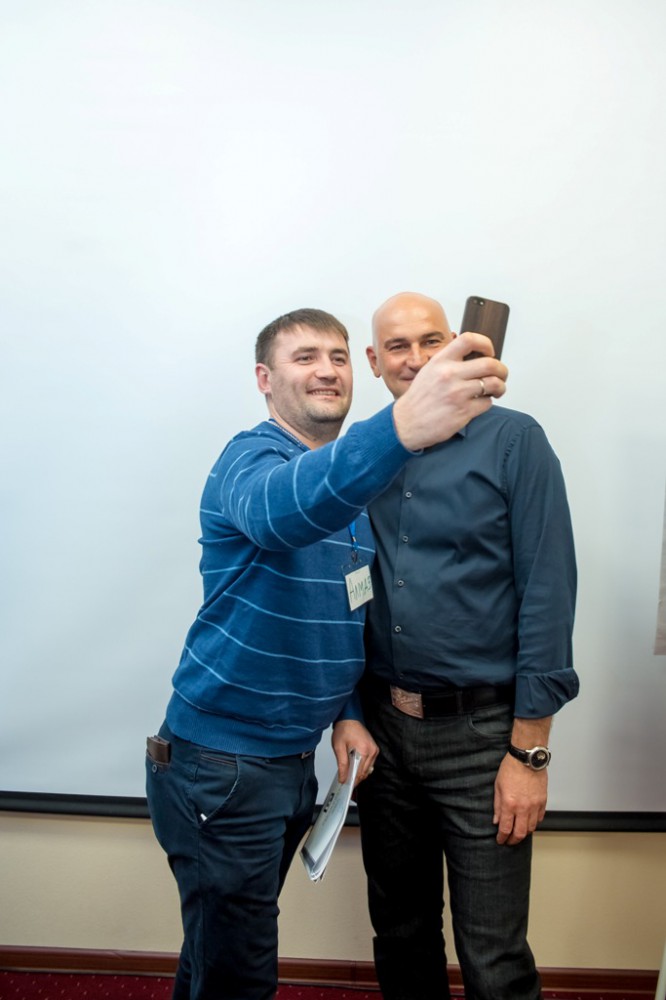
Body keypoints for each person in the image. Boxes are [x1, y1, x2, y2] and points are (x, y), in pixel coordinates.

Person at [145, 306, 508, 1000]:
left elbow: (343, 614)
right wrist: (399, 428)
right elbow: (280, 515)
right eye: (305, 357)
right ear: (265, 379)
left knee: (217, 952)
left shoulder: (349, 499)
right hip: (221, 764)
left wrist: (347, 712)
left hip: (288, 765)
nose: (327, 370)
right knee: (241, 973)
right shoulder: (251, 460)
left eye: (339, 357)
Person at [355, 292, 579, 1000]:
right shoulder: (362, 451)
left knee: (494, 957)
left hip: (483, 740)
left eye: (430, 340)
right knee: (401, 934)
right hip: (383, 735)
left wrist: (529, 755)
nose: (415, 359)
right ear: (374, 361)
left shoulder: (515, 441)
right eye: (397, 346)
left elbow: (548, 593)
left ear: (455, 342)